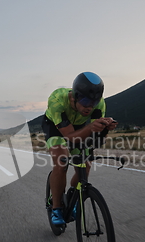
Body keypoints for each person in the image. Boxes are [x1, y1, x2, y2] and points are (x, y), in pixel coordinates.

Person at [41, 72, 117, 225]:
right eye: (84, 101)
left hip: (80, 128)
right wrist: (90, 127)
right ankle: (56, 208)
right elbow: (68, 136)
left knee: (85, 164)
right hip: (56, 128)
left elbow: (96, 141)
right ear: (74, 96)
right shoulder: (57, 99)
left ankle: (72, 197)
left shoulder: (99, 104)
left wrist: (105, 129)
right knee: (61, 162)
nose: (89, 107)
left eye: (94, 102)